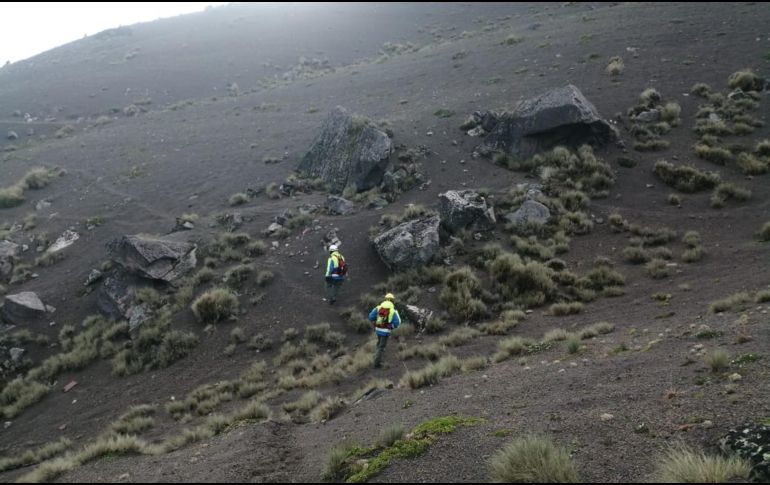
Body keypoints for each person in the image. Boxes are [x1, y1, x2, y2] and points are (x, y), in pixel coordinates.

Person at [368, 293, 401, 369]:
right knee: (382, 347)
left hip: (378, 329)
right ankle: (377, 364)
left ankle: (375, 358)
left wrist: (376, 321)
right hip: (385, 331)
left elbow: (370, 317)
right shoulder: (393, 310)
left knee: (379, 344)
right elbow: (398, 322)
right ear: (393, 301)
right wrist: (391, 327)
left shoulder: (379, 307)